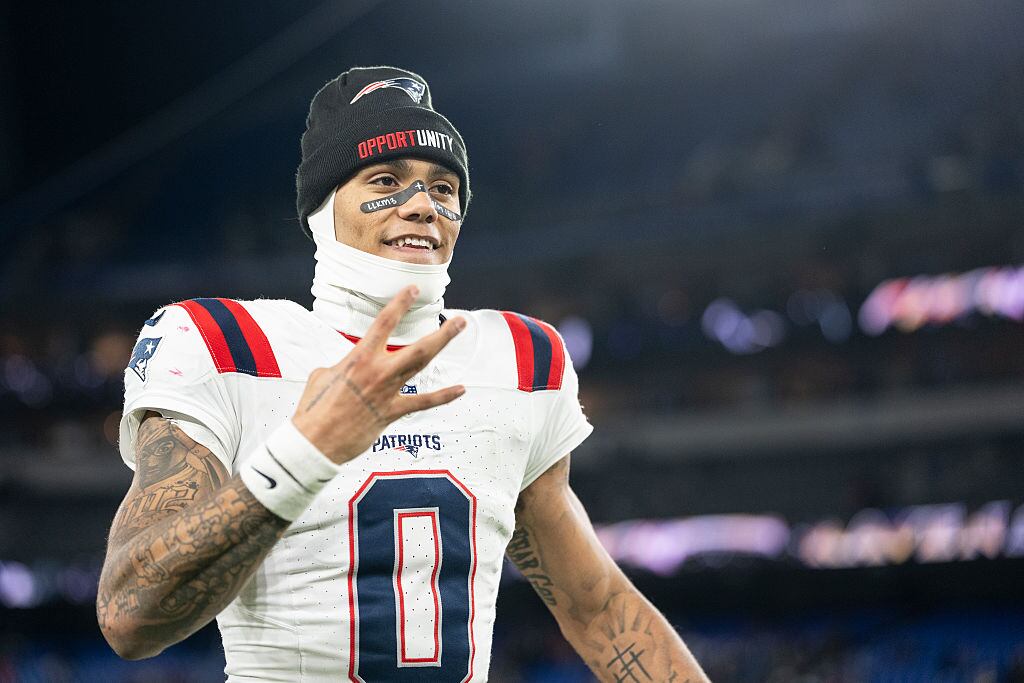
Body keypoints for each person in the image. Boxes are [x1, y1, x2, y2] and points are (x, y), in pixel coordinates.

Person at [96, 66, 709, 682]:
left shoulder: (522, 357)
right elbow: (129, 618)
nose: (422, 205)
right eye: (387, 180)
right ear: (322, 207)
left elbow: (598, 609)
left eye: (444, 188)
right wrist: (305, 452)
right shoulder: (223, 344)